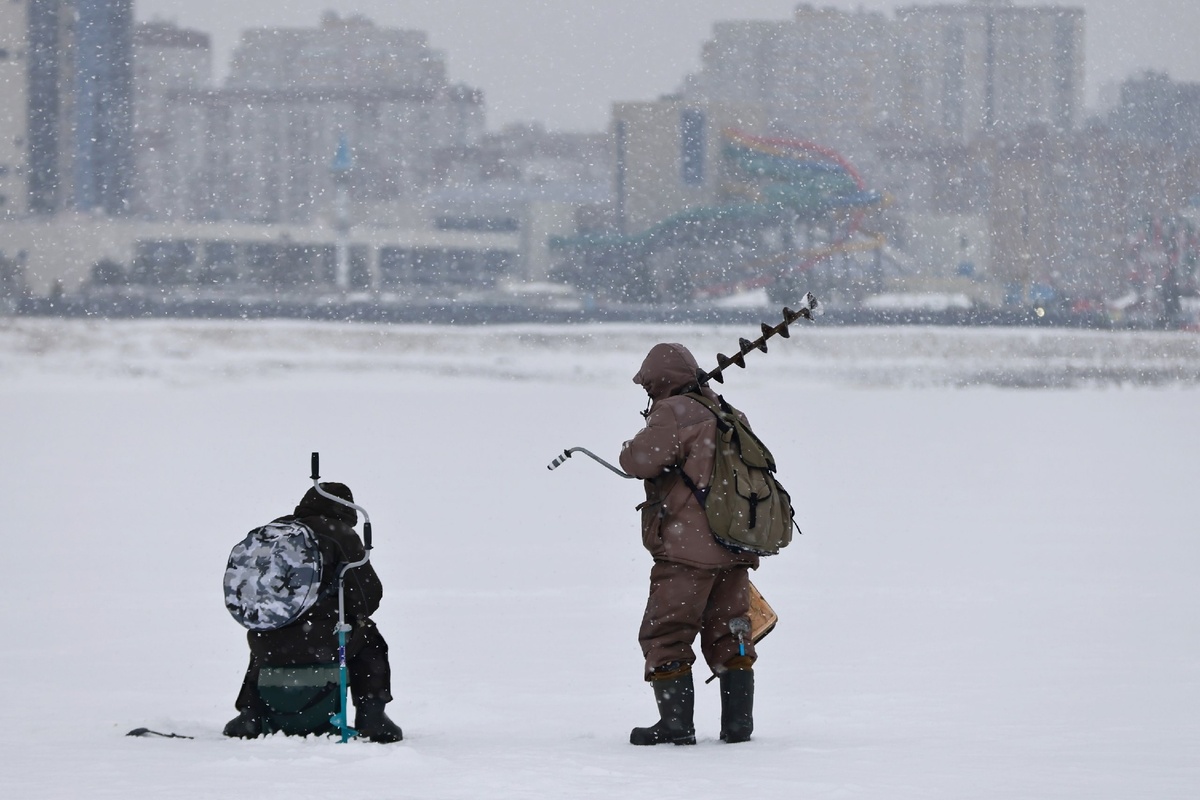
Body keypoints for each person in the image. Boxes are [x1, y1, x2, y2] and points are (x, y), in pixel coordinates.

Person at [619, 342, 758, 746]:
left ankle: (676, 725)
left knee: (667, 632)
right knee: (731, 632)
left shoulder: (673, 413)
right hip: (734, 544)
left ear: (661, 380)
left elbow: (638, 460)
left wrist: (634, 441)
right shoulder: (728, 411)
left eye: (649, 385)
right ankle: (738, 725)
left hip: (687, 550)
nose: (647, 392)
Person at [223, 482, 403, 743]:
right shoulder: (339, 534)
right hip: (322, 643)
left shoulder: (274, 531)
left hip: (265, 644)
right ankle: (372, 718)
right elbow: (367, 598)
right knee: (370, 639)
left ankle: (249, 715)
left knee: (270, 629)